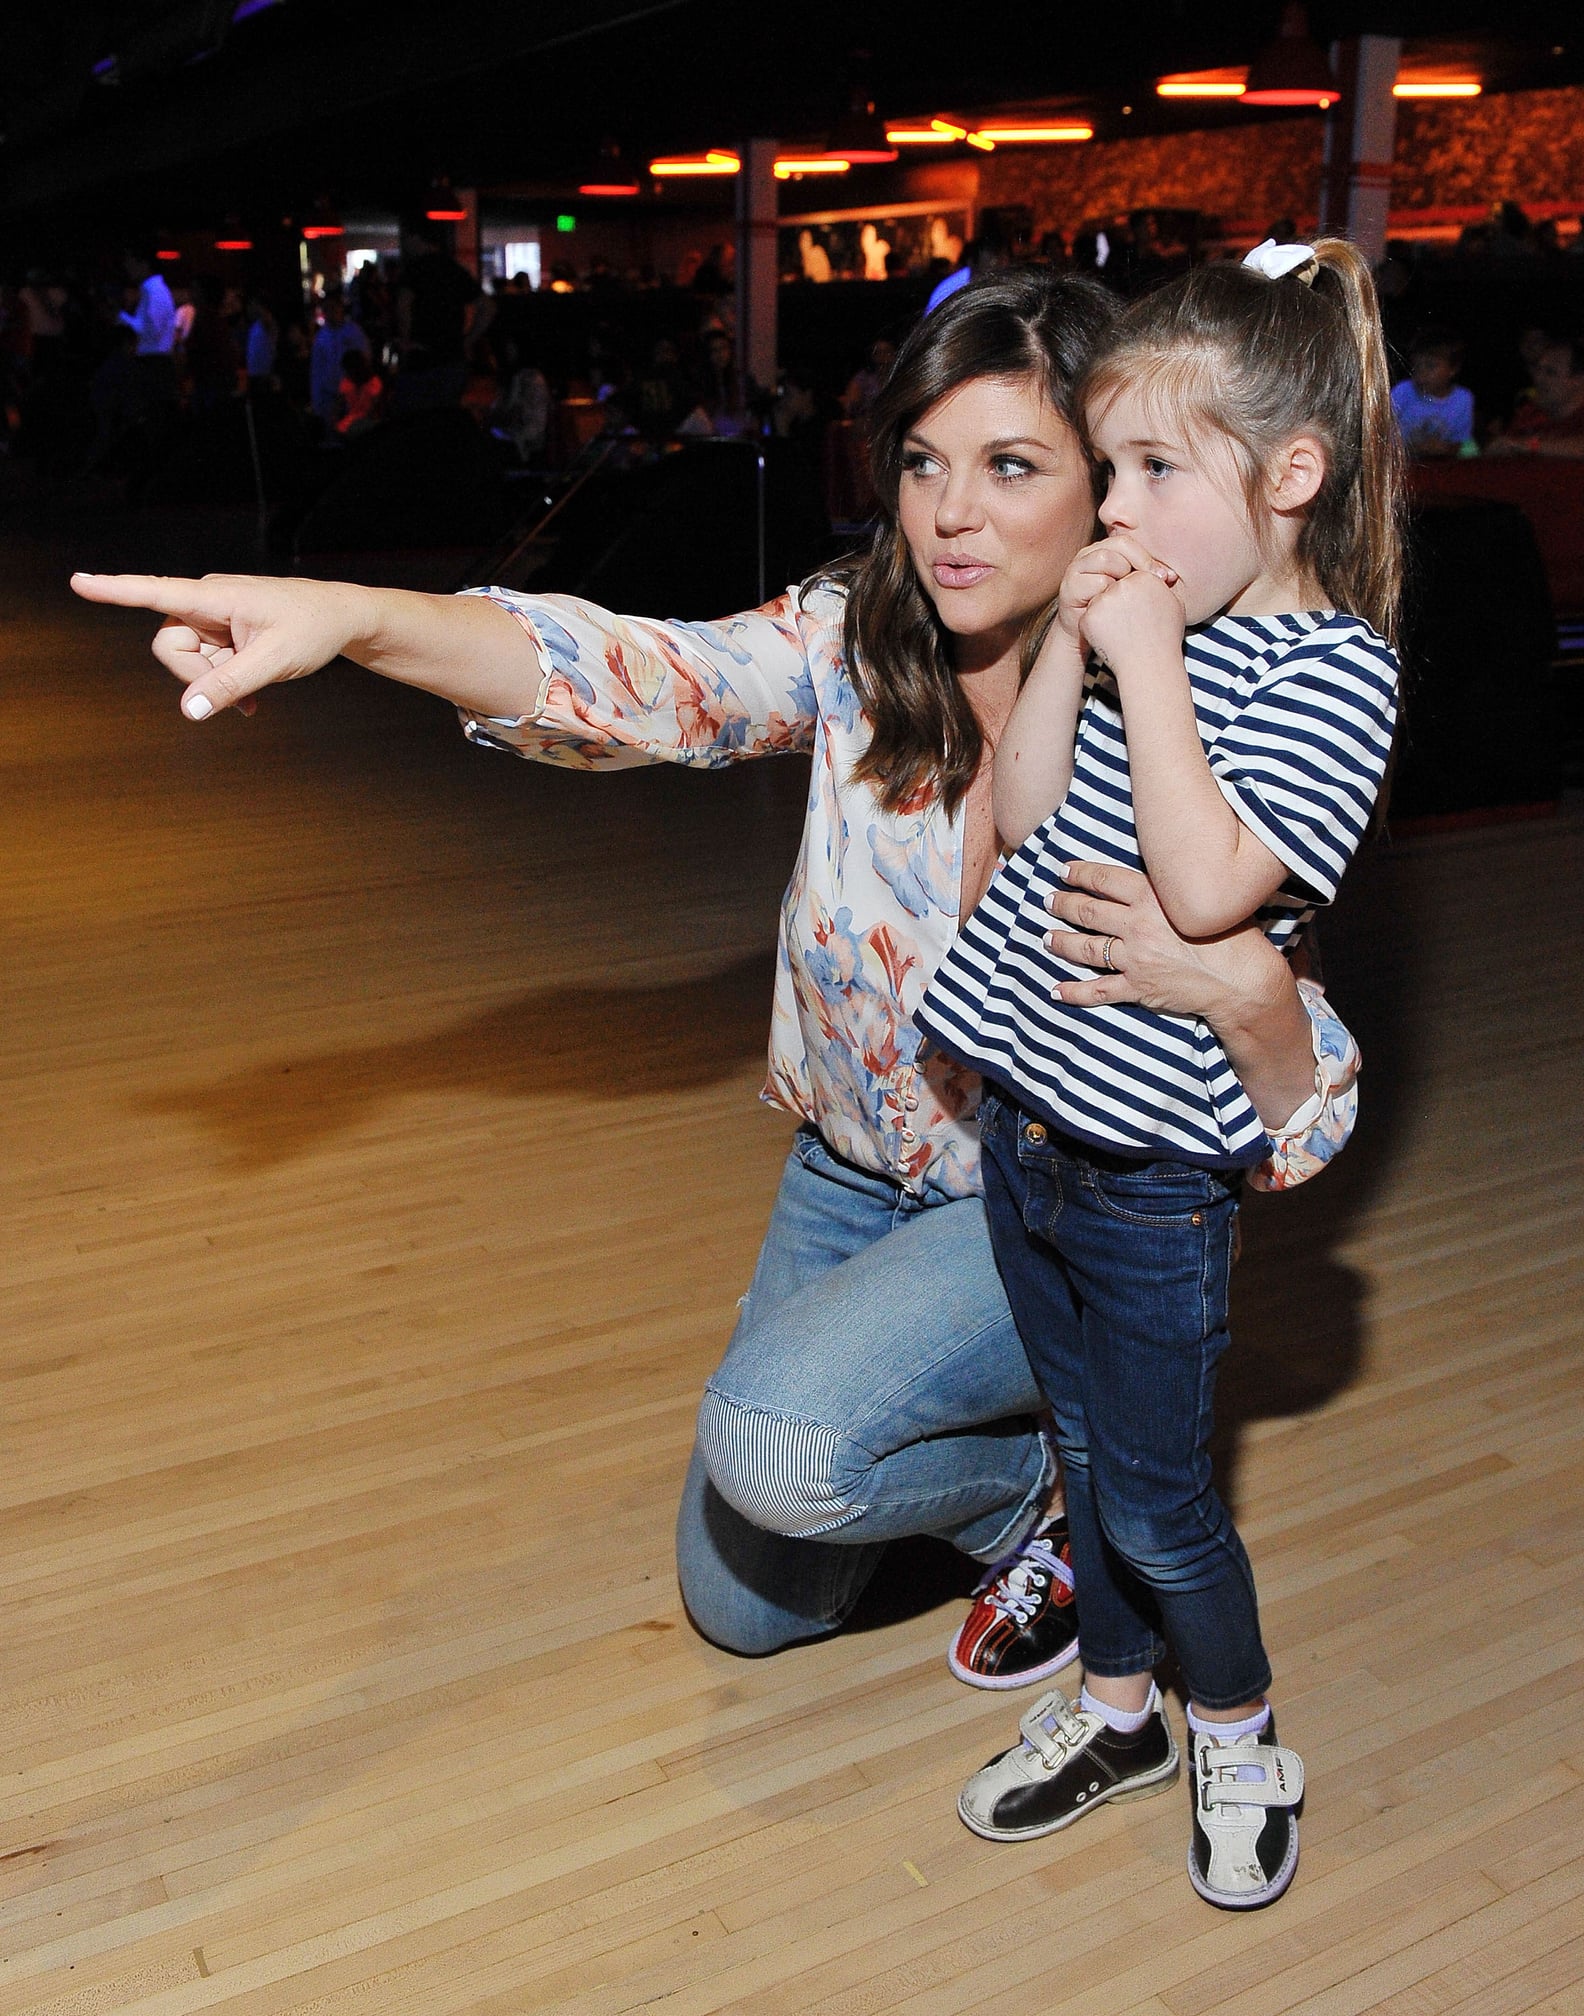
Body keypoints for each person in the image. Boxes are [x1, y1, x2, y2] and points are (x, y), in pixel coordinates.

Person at [67, 268, 1360, 1736]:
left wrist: (1253, 988)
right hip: (844, 1173)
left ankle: (1080, 1505)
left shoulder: (1188, 714)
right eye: (924, 462)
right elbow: (640, 677)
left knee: (782, 1443)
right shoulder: (860, 645)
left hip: (1046, 1203)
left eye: (1012, 467)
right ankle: (1030, 1477)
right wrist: (358, 616)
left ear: (1112, 488)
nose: (949, 514)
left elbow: (1304, 1096)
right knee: (744, 1604)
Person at [916, 241, 1400, 1910]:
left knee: (1159, 1498)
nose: (1110, 511)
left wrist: (1140, 663)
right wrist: (1071, 636)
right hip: (1033, 1123)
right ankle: (1114, 1709)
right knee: (1079, 1453)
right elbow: (1032, 798)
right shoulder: (1141, 619)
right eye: (1100, 469)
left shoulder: (1330, 670)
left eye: (1144, 473)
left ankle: (1238, 1730)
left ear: (1286, 477)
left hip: (1147, 1169)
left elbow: (1206, 891)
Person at [1487, 334, 1584, 457]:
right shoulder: (1530, 414)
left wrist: (1529, 445)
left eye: (1550, 372)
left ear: (1578, 379)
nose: (1538, 378)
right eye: (1538, 370)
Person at [1391, 325, 1476, 456]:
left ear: (1453, 368)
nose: (1422, 372)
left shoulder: (1463, 399)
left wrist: (1442, 449)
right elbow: (1382, 435)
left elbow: (1458, 445)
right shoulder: (1402, 392)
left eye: (1430, 366)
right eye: (1416, 366)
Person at [309, 290, 370, 428]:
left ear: (340, 307)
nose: (330, 312)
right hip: (330, 395)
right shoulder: (321, 338)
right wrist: (316, 400)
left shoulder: (354, 332)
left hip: (354, 395)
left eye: (333, 308)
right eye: (326, 309)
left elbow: (365, 361)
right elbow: (316, 371)